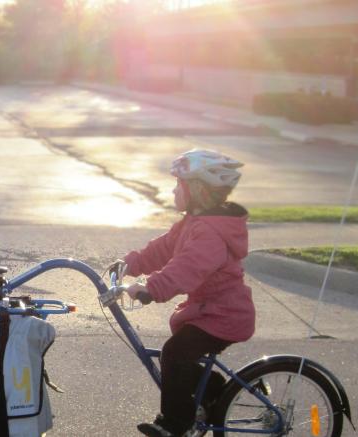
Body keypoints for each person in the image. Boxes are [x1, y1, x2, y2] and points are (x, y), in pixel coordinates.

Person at [107, 149, 255, 437]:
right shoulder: (193, 223)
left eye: (179, 184)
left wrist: (151, 288)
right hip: (209, 312)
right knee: (180, 356)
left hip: (224, 316)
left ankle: (175, 424)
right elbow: (162, 249)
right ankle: (213, 391)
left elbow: (186, 269)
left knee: (174, 353)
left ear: (198, 190)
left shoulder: (210, 233)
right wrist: (130, 263)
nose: (174, 190)